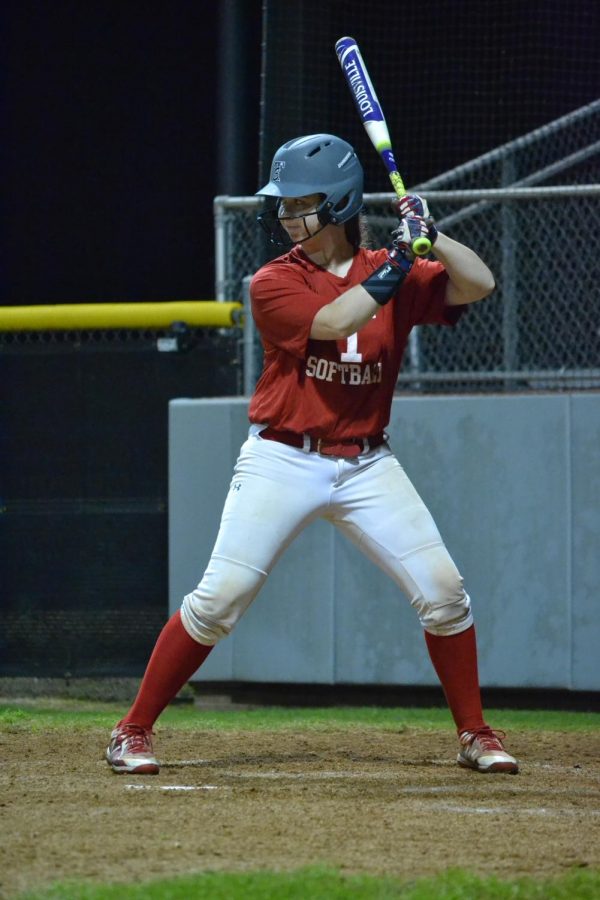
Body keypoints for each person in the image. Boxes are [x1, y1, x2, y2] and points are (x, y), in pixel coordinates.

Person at [106, 133, 518, 776]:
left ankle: (476, 734)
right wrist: (400, 265)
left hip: (367, 464)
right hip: (282, 458)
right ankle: (131, 730)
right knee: (219, 601)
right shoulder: (273, 282)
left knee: (445, 594)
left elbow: (481, 282)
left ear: (340, 203)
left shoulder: (393, 266)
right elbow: (336, 322)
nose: (285, 216)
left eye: (300, 204)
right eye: (284, 204)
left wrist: (429, 236)